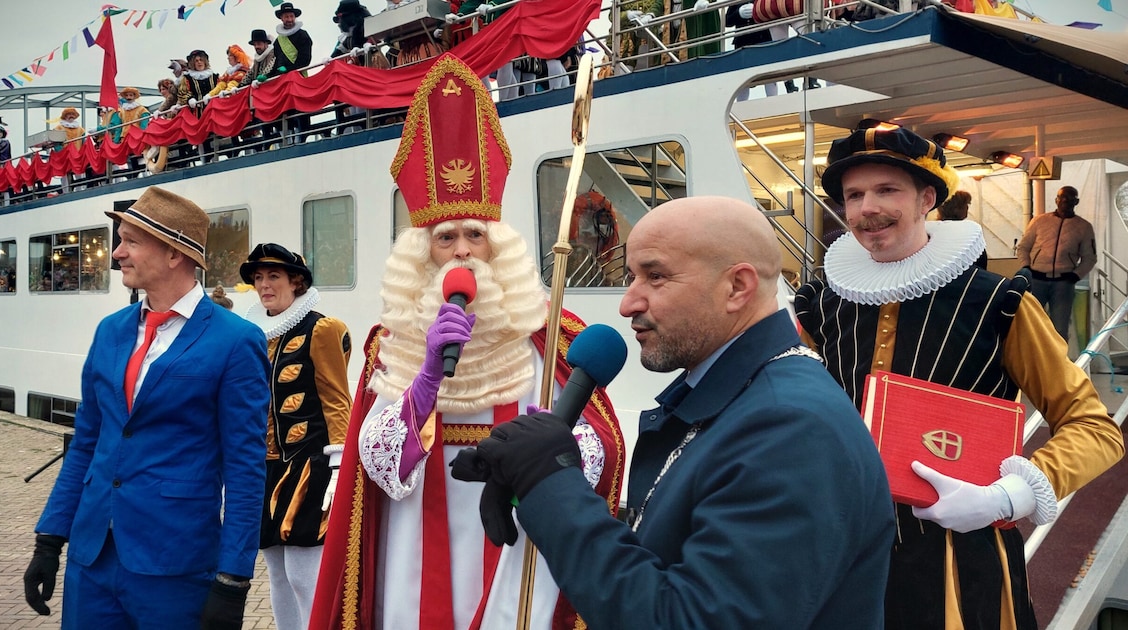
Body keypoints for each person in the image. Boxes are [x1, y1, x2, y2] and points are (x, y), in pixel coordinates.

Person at [457, 195, 894, 628]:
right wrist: (533, 477)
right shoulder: (738, 398)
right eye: (631, 276)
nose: (628, 303)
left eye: (656, 276)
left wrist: (549, 481)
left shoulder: (791, 429)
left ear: (737, 287)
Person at [308, 54, 625, 630]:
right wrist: (423, 382)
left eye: (474, 235)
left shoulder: (550, 331)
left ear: (495, 244)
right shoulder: (392, 341)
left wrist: (558, 442)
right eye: (445, 237)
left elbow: (598, 451)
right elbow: (375, 467)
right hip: (412, 541)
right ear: (421, 252)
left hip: (518, 542)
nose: (460, 251)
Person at [793, 127, 1124, 630]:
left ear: (928, 197)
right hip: (843, 550)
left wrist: (1006, 496)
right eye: (854, 195)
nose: (866, 209)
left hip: (960, 561)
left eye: (887, 190)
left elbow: (1094, 427)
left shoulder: (999, 304)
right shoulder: (823, 304)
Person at [22, 186, 271, 628]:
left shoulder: (234, 341)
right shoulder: (110, 331)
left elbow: (245, 467)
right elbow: (87, 442)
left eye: (131, 241)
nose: (117, 253)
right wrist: (49, 538)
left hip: (175, 564)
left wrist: (234, 579)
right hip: (92, 557)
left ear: (175, 253)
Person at [238, 243, 353, 630]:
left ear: (296, 282)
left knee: (305, 575)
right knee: (276, 574)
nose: (264, 285)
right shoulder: (253, 335)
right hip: (265, 469)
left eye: (273, 276)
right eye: (258, 278)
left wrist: (340, 465)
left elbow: (338, 400)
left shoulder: (321, 329)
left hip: (310, 468)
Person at [1016, 185, 1097, 341]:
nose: (1065, 201)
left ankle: (1057, 362)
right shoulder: (1039, 221)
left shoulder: (1084, 227)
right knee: (1031, 323)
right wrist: (1026, 268)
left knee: (1060, 328)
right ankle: (1032, 360)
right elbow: (1023, 247)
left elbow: (1090, 257)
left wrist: (1075, 276)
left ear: (1076, 201)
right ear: (1056, 200)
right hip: (1036, 280)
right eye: (1062, 197)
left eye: (1070, 198)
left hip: (1063, 283)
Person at [272, 2, 314, 142]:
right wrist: (267, 75)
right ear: (281, 18)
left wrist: (289, 70)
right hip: (284, 82)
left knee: (300, 108)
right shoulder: (278, 42)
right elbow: (276, 62)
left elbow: (305, 60)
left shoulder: (302, 35)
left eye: (291, 16)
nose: (289, 19)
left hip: (299, 78)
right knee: (285, 109)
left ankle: (302, 137)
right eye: (286, 16)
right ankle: (287, 137)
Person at [935, 189, 987, 269]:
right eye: (965, 205)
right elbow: (980, 259)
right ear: (957, 208)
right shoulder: (968, 232)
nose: (967, 208)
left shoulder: (933, 231)